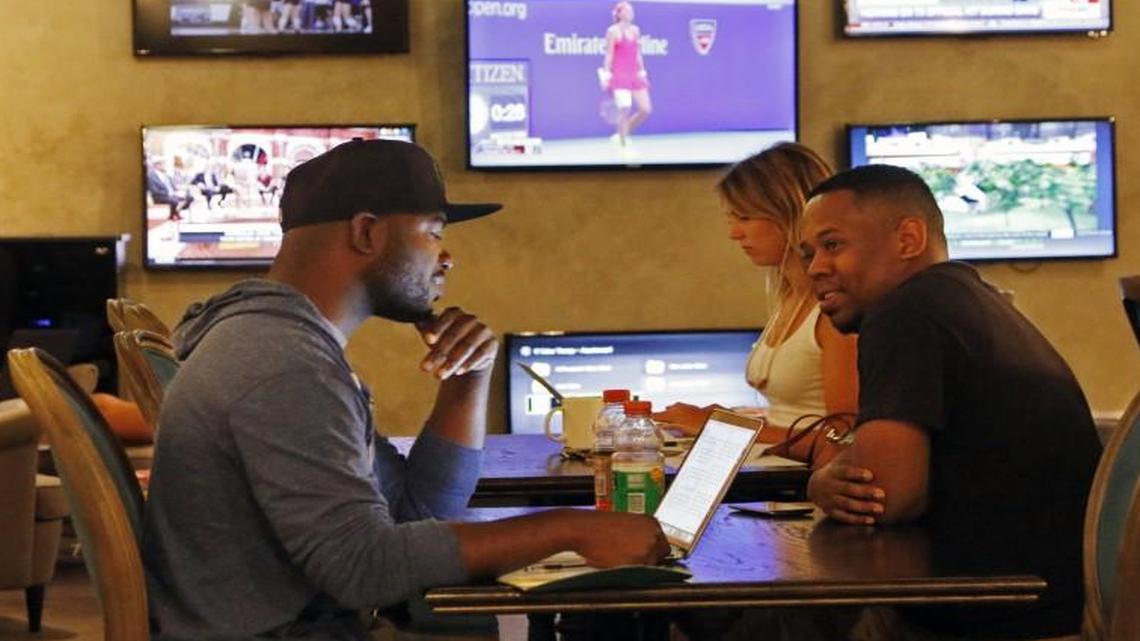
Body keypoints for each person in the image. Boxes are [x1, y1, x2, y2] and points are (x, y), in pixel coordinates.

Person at [142, 140, 669, 641]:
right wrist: (568, 528)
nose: (446, 258)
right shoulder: (283, 365)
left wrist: (468, 381)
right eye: (433, 232)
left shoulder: (284, 344)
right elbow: (363, 567)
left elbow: (420, 511)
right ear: (367, 233)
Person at [800, 164, 1102, 639]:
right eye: (808, 254)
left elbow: (883, 495)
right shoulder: (971, 300)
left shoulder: (907, 313)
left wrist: (819, 482)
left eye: (833, 244)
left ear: (908, 239)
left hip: (1003, 618)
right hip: (1048, 603)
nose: (816, 267)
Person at [653, 143, 859, 467]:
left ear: (789, 213)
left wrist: (721, 426)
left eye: (745, 217)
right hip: (776, 481)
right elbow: (794, 415)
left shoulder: (836, 311)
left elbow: (842, 440)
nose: (735, 233)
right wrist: (726, 418)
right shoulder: (790, 298)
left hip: (805, 491)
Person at [600, 1, 651, 147]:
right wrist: (606, 75)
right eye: (627, 10)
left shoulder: (636, 30)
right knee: (625, 108)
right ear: (619, 14)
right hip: (619, 75)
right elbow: (609, 55)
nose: (631, 13)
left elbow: (637, 54)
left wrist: (642, 71)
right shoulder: (613, 31)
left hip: (634, 74)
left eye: (631, 10)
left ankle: (623, 132)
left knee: (645, 109)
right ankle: (623, 144)